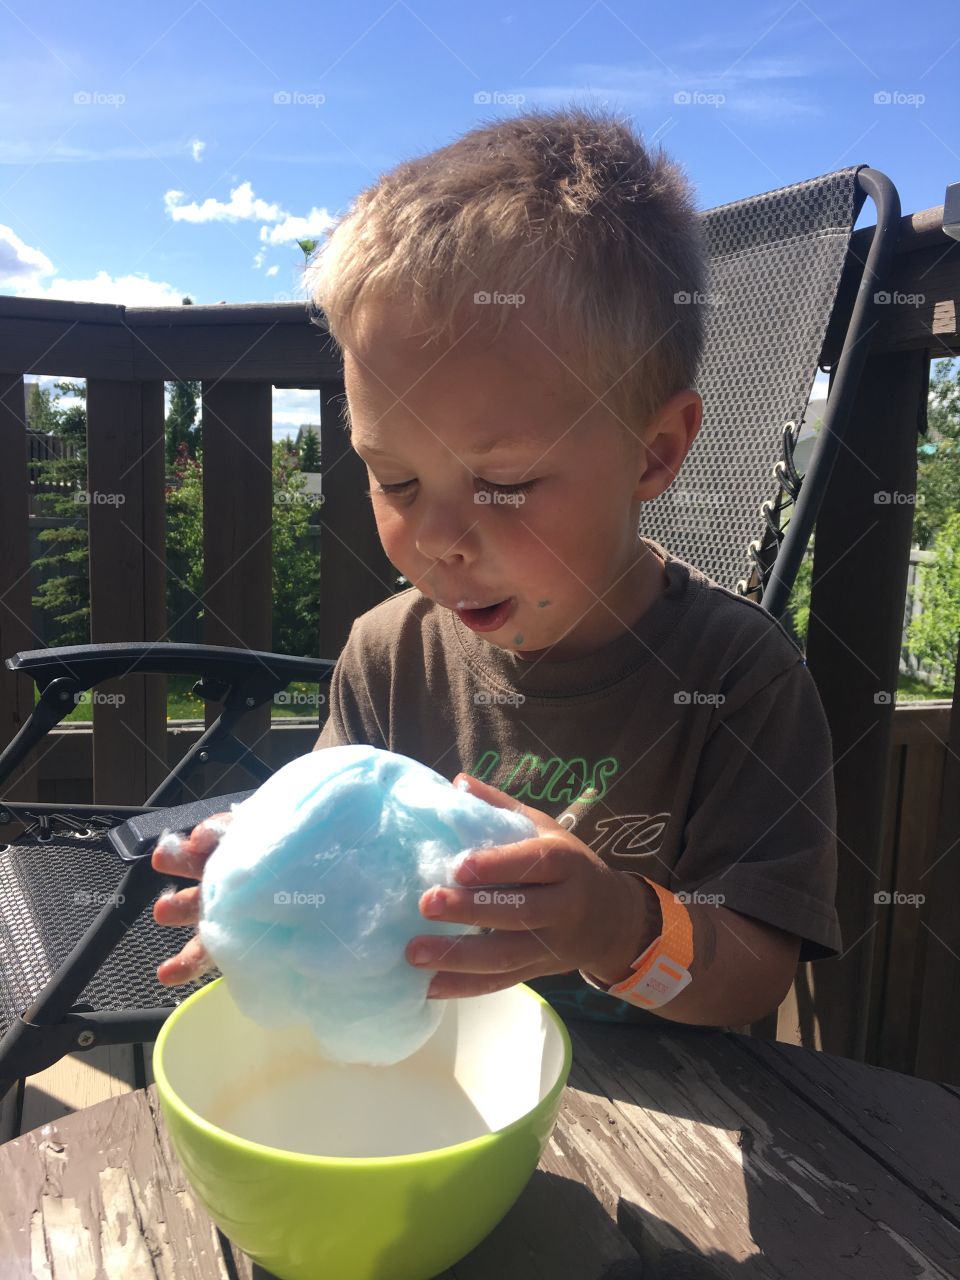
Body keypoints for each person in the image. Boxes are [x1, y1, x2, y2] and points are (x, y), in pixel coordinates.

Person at [152, 106, 841, 1030]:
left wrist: (615, 926)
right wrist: (264, 895)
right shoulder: (386, 658)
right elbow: (329, 844)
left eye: (504, 483)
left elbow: (755, 975)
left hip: (669, 1113)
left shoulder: (737, 677)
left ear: (654, 452)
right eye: (394, 478)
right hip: (429, 1074)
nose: (439, 536)